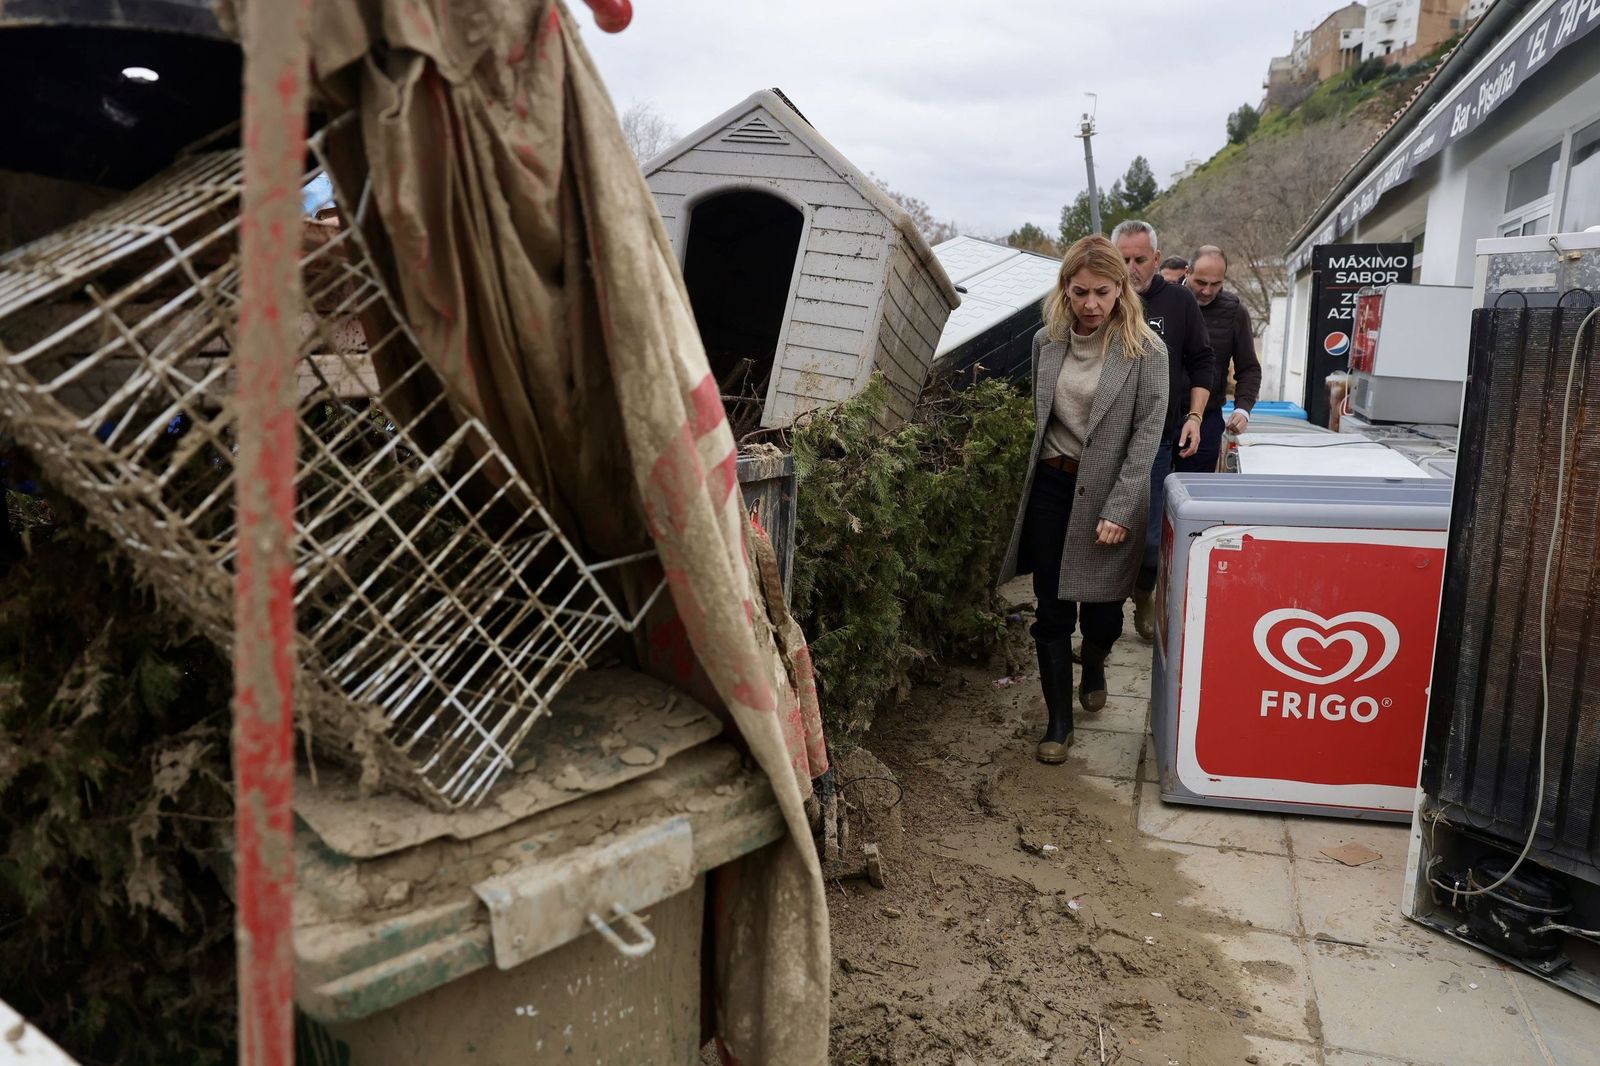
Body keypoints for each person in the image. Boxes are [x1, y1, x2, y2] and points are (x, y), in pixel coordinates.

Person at [998, 235, 1169, 763]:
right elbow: (1042, 415)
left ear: (1122, 289)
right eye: (1079, 292)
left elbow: (1147, 436)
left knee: (1100, 614)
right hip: (1052, 485)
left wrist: (1120, 507)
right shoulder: (1045, 342)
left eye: (1102, 292)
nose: (1091, 304)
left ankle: (1094, 660)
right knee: (1050, 609)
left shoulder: (1146, 351)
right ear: (1064, 290)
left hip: (1111, 495)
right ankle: (1058, 724)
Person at [1109, 220, 1214, 641]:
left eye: (1138, 259)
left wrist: (1194, 418)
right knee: (1104, 537)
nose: (1130, 267)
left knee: (1151, 541)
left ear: (1156, 258)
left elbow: (1203, 362)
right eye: (1123, 258)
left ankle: (1144, 590)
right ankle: (1103, 623)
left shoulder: (1178, 303)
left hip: (1158, 437)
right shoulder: (1102, 300)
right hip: (1105, 438)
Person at [1176, 245, 1262, 474]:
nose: (1207, 291)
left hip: (1208, 416)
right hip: (1161, 415)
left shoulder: (1235, 312)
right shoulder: (1166, 302)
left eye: (1215, 284)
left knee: (1193, 495)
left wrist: (1243, 409)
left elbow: (1249, 368)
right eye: (1200, 283)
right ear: (1187, 272)